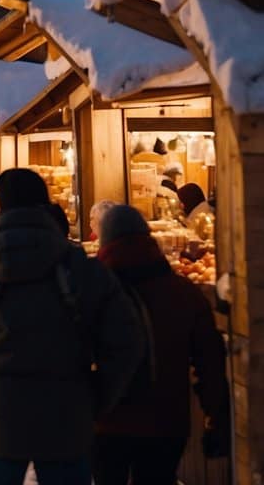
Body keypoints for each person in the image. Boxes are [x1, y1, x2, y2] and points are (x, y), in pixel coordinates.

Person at [0, 169, 143, 485]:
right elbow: (127, 341)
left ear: (0, 209)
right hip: (67, 414)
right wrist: (97, 399)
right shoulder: (84, 271)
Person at [92, 205, 230, 484]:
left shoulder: (93, 292)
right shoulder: (182, 292)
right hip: (166, 421)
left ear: (105, 241)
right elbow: (210, 358)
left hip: (106, 421)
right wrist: (216, 414)